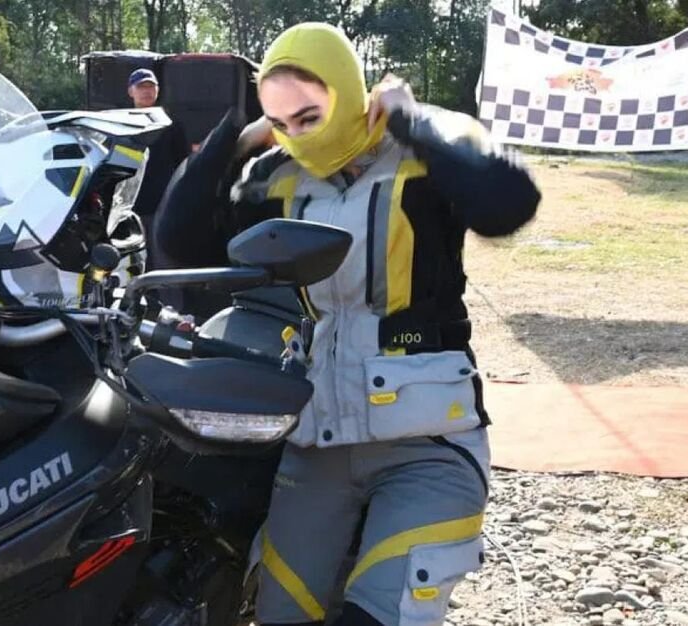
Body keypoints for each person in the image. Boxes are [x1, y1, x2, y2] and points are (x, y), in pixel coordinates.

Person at [156, 23, 540, 625]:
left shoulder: (427, 149)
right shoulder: (277, 175)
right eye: (282, 122)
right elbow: (177, 239)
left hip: (428, 446)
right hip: (317, 447)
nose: (298, 136)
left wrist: (412, 120)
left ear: (347, 88)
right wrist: (236, 137)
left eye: (310, 116)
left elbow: (509, 204)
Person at [126, 69, 190, 267]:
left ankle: (165, 298)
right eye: (141, 87)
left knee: (163, 262)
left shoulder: (171, 124)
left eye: (150, 87)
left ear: (157, 90)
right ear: (131, 91)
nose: (146, 91)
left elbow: (183, 163)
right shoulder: (120, 123)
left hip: (162, 207)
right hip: (129, 208)